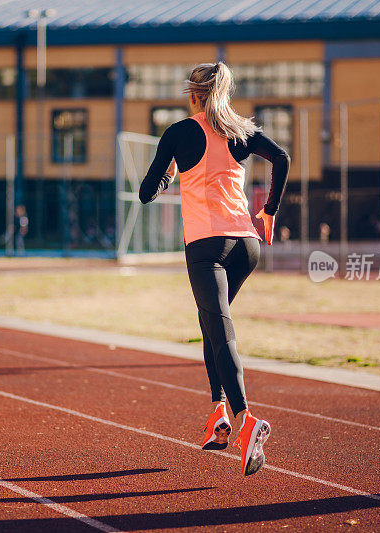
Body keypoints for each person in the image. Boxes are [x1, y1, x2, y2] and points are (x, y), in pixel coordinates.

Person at [139, 62, 290, 476]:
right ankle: (217, 415)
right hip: (246, 246)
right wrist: (269, 211)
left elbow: (145, 193)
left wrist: (170, 175)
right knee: (214, 325)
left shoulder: (178, 133)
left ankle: (245, 420)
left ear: (193, 94)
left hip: (206, 247)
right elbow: (282, 158)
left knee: (219, 327)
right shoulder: (240, 131)